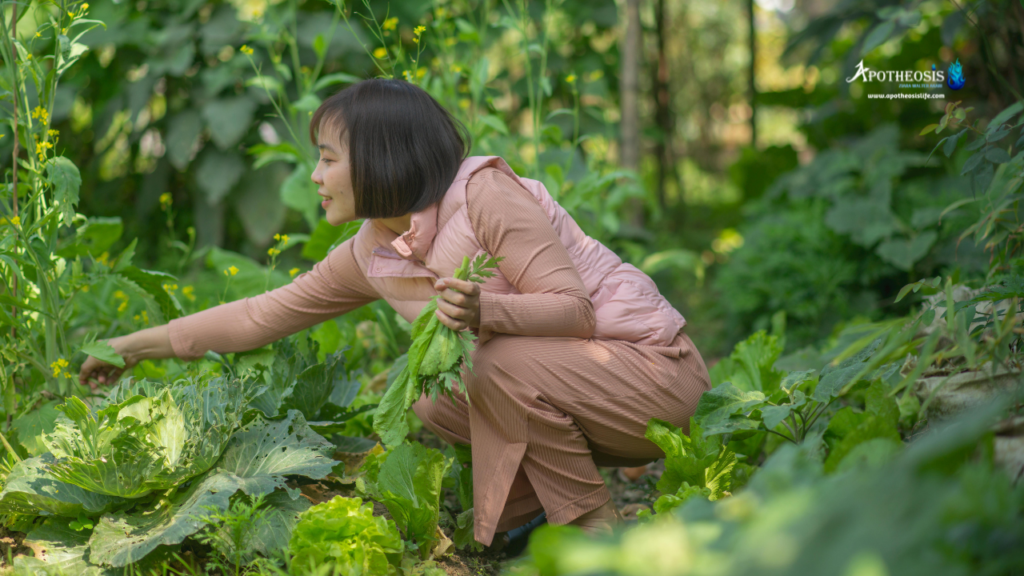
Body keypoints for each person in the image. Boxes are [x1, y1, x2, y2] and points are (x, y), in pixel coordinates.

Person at [79, 78, 712, 547]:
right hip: (572, 390)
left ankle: (594, 534)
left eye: (328, 158)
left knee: (493, 357)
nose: (316, 174)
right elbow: (258, 316)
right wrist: (130, 347)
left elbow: (573, 312)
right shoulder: (371, 250)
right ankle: (530, 517)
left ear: (383, 158)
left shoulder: (485, 192)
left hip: (651, 378)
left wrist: (488, 310)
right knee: (431, 393)